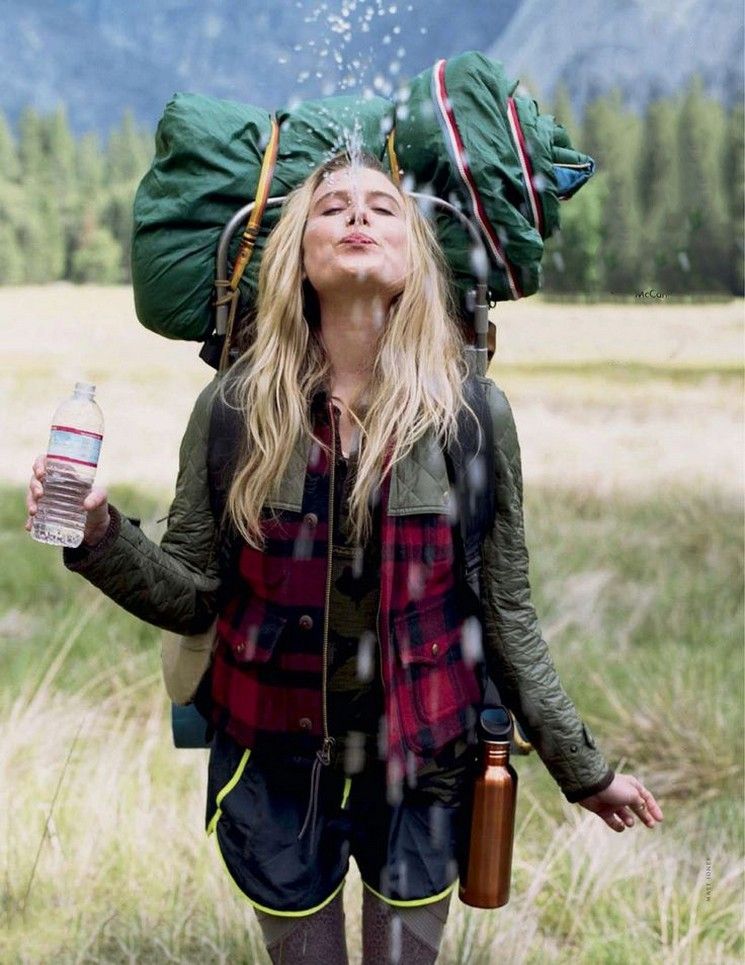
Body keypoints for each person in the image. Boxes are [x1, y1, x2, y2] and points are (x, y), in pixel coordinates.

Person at [25, 152, 663, 965]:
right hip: (272, 765)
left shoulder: (471, 413)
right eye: (331, 208)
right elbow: (190, 596)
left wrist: (582, 768)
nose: (357, 217)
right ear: (298, 250)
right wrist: (97, 530)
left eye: (382, 208)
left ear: (412, 260)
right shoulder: (233, 406)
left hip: (426, 768)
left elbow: (505, 613)